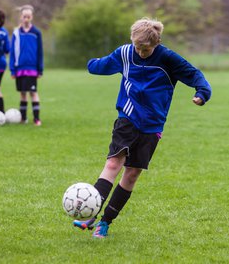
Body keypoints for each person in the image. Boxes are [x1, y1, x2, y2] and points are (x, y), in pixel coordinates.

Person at [73, 17, 212, 238]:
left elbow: (195, 74)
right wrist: (92, 64)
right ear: (132, 41)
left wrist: (202, 93)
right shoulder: (126, 53)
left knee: (132, 173)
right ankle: (92, 211)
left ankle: (105, 222)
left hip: (152, 124)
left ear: (156, 44)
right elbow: (104, 64)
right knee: (113, 163)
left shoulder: (167, 58)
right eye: (138, 47)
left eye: (145, 49)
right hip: (127, 117)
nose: (141, 52)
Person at [9, 5, 43, 126]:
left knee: (33, 93)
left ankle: (36, 119)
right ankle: (23, 118)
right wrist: (12, 69)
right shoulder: (16, 33)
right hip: (20, 69)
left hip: (32, 69)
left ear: (32, 17)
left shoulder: (36, 33)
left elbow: (40, 52)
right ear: (21, 17)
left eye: (28, 16)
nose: (26, 19)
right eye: (24, 17)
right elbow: (12, 52)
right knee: (22, 93)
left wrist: (40, 69)